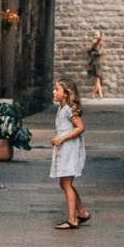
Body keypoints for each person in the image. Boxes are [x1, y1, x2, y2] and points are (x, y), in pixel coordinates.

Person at [50, 78, 90, 229]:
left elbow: (80, 127)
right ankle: (82, 212)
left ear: (66, 94)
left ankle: (73, 219)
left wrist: (61, 138)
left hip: (70, 149)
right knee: (64, 183)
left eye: (57, 89)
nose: (54, 92)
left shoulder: (68, 109)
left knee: (66, 184)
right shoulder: (62, 108)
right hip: (65, 149)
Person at [86, 32, 104, 98]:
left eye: (96, 34)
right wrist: (92, 46)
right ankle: (100, 95)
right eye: (94, 34)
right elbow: (88, 51)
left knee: (97, 79)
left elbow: (100, 52)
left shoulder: (100, 43)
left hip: (97, 64)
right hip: (93, 64)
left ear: (99, 35)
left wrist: (94, 52)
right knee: (97, 80)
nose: (95, 35)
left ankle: (93, 94)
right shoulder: (94, 43)